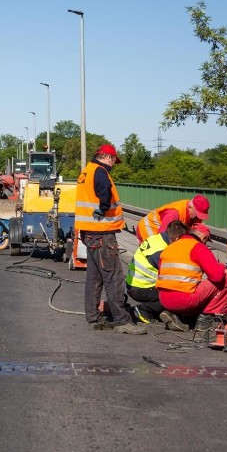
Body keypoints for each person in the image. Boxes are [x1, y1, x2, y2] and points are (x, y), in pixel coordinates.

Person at [75, 144, 146, 335]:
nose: (114, 164)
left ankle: (93, 317)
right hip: (102, 232)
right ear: (108, 157)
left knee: (95, 277)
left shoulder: (86, 171)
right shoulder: (100, 172)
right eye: (114, 160)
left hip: (89, 231)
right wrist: (104, 207)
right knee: (114, 277)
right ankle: (122, 320)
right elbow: (104, 191)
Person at [156, 223, 227, 331]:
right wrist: (223, 267)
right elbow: (217, 276)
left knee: (195, 286)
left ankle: (180, 316)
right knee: (226, 279)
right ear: (204, 238)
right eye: (206, 241)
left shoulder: (169, 248)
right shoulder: (197, 247)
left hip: (164, 299)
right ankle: (205, 318)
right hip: (184, 300)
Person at [126, 219, 188, 323]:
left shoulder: (157, 238)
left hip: (134, 284)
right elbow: (170, 275)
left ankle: (155, 310)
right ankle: (143, 310)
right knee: (173, 297)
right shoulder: (162, 250)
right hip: (141, 288)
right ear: (176, 238)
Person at [135, 194, 210, 243]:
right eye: (198, 214)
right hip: (149, 228)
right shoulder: (173, 214)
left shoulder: (193, 213)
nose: (199, 218)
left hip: (161, 230)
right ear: (190, 208)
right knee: (154, 252)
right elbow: (163, 236)